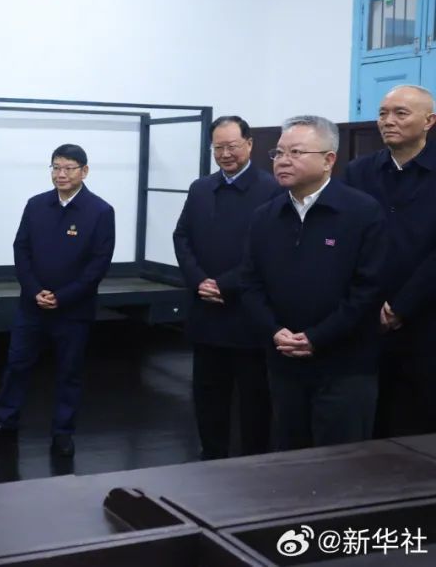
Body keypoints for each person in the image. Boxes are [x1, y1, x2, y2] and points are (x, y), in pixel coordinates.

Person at [241, 115, 385, 450]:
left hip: (345, 366)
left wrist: (317, 337)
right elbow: (250, 283)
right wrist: (274, 330)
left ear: (328, 160)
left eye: (296, 152)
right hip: (284, 361)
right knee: (291, 459)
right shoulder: (265, 216)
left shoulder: (361, 212)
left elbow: (369, 289)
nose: (283, 160)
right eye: (278, 153)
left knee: (340, 462)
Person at [0, 144, 115, 458]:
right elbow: (21, 249)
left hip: (73, 310)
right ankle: (5, 423)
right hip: (32, 306)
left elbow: (98, 265)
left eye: (68, 168)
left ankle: (63, 432)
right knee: (16, 365)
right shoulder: (36, 205)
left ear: (84, 171)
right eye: (56, 167)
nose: (61, 174)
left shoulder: (100, 212)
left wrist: (62, 297)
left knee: (69, 372)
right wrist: (34, 290)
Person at [173, 115, 279, 460]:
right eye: (218, 147)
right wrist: (198, 280)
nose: (225, 154)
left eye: (232, 146)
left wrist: (225, 284)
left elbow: (268, 250)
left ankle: (254, 462)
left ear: (249, 144)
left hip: (248, 313)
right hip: (205, 311)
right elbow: (182, 237)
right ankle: (211, 456)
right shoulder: (200, 188)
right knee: (207, 394)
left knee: (254, 398)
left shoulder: (271, 188)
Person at [345, 85, 436, 436]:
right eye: (383, 113)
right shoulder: (359, 172)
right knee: (367, 420)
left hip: (425, 316)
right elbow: (347, 240)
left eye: (401, 113)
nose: (388, 121)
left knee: (418, 423)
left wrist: (402, 305)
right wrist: (366, 300)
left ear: (429, 121)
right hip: (366, 314)